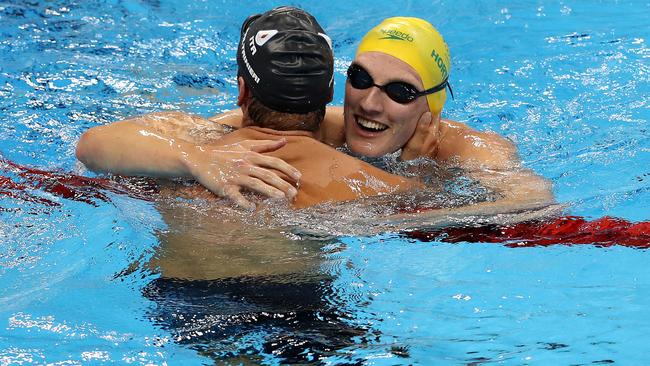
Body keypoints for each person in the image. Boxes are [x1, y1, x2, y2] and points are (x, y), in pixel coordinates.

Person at [77, 13, 552, 213]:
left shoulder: (469, 149)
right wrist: (193, 157)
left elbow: (533, 205)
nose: (369, 102)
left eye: (400, 91)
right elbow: (102, 143)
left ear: (432, 105)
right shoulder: (320, 125)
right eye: (360, 79)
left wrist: (421, 184)